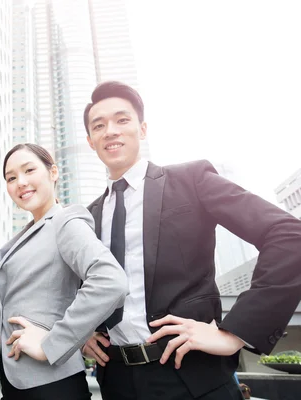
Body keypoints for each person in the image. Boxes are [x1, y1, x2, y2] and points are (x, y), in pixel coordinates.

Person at [80, 80, 301, 399]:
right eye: (99, 125)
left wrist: (235, 332)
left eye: (122, 119)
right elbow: (83, 288)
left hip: (191, 378)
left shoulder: (190, 181)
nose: (111, 130)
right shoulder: (87, 218)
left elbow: (288, 236)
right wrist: (85, 331)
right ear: (90, 141)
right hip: (116, 381)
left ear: (142, 129)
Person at [0, 143, 128, 400]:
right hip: (16, 379)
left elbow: (110, 281)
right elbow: (4, 301)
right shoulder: (18, 239)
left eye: (29, 170)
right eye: (11, 177)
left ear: (53, 173)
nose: (21, 182)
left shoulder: (66, 220)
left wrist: (52, 343)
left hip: (51, 384)